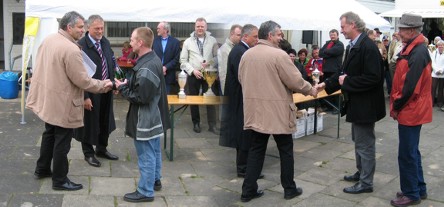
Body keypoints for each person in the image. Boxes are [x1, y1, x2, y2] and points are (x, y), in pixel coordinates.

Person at [26, 11, 113, 191]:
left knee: (49, 134)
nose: (83, 31)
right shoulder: (71, 48)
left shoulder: (49, 40)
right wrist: (103, 85)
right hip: (63, 102)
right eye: (81, 27)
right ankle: (59, 180)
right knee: (62, 141)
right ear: (69, 27)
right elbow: (83, 80)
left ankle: (41, 169)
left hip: (49, 99)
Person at [238, 20, 318, 202]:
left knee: (256, 151)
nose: (282, 37)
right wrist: (311, 89)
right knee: (286, 151)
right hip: (278, 112)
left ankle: (247, 191)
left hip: (256, 111)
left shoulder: (247, 55)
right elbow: (295, 81)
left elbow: (241, 79)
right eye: (280, 34)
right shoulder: (279, 55)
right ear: (270, 36)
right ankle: (289, 189)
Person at [318, 11, 386, 194]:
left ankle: (366, 183)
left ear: (353, 25)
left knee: (365, 143)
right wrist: (325, 84)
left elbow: (374, 78)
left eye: (343, 26)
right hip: (357, 103)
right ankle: (361, 172)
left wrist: (346, 82)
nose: (341, 31)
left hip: (366, 105)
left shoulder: (367, 47)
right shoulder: (353, 46)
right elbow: (342, 72)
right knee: (358, 140)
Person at [116, 26, 170, 203]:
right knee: (154, 150)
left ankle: (146, 191)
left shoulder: (147, 65)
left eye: (132, 40)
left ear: (140, 42)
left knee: (146, 154)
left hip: (145, 119)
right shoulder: (152, 59)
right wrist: (128, 83)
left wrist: (122, 88)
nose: (130, 43)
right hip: (153, 116)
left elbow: (141, 97)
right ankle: (155, 180)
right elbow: (144, 88)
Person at [389, 13, 432, 207]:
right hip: (413, 108)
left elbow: (409, 88)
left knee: (406, 153)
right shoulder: (414, 48)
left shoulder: (418, 51)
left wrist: (396, 106)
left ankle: (411, 193)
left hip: (411, 109)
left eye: (402, 29)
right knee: (412, 151)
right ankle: (418, 188)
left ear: (412, 31)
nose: (399, 32)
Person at [73, 14, 118, 168]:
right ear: (88, 28)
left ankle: (101, 148)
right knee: (89, 123)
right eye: (97, 28)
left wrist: (114, 84)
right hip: (90, 91)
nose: (100, 31)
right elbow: (79, 74)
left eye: (102, 28)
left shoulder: (104, 42)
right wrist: (85, 96)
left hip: (106, 88)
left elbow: (110, 62)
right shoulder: (81, 45)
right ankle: (89, 153)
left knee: (105, 120)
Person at [219, 24, 262, 178]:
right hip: (239, 100)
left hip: (241, 99)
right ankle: (243, 169)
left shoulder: (242, 50)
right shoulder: (239, 52)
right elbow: (243, 76)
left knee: (246, 135)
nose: (257, 40)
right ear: (245, 37)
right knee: (243, 135)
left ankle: (246, 167)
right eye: (255, 37)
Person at [180, 17, 219, 133]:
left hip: (209, 74)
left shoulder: (213, 40)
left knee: (210, 99)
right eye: (198, 26)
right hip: (194, 74)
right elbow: (183, 61)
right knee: (193, 99)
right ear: (195, 27)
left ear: (206, 27)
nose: (200, 28)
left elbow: (218, 57)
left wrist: (210, 63)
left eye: (202, 26)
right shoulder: (187, 42)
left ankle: (212, 125)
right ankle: (196, 123)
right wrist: (192, 70)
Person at [153, 21, 181, 94]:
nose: (157, 30)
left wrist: (165, 67)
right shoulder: (154, 41)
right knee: (155, 97)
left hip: (168, 75)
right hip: (155, 73)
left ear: (165, 30)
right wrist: (159, 67)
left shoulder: (175, 42)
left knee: (166, 98)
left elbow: (176, 58)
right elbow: (151, 55)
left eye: (159, 28)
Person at [217, 24, 242, 94]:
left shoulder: (236, 47)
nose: (240, 38)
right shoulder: (224, 50)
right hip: (229, 90)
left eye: (241, 35)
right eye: (238, 35)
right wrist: (225, 92)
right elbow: (223, 73)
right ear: (231, 34)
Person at [431, 40, 444, 108]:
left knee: (441, 89)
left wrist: (441, 70)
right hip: (435, 73)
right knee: (433, 87)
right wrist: (436, 70)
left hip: (442, 74)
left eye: (442, 45)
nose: (441, 47)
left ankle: (440, 102)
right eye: (439, 46)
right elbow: (433, 62)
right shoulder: (434, 52)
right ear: (437, 46)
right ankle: (431, 102)